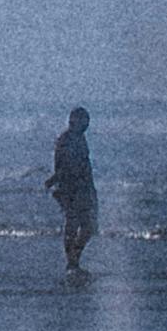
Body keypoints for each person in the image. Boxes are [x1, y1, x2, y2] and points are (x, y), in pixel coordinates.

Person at [49, 104, 99, 277]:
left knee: (88, 226)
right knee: (74, 224)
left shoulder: (79, 138)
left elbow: (86, 166)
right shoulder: (65, 140)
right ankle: (72, 263)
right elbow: (63, 168)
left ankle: (73, 260)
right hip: (71, 189)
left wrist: (92, 189)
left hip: (82, 188)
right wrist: (57, 183)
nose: (87, 125)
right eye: (84, 121)